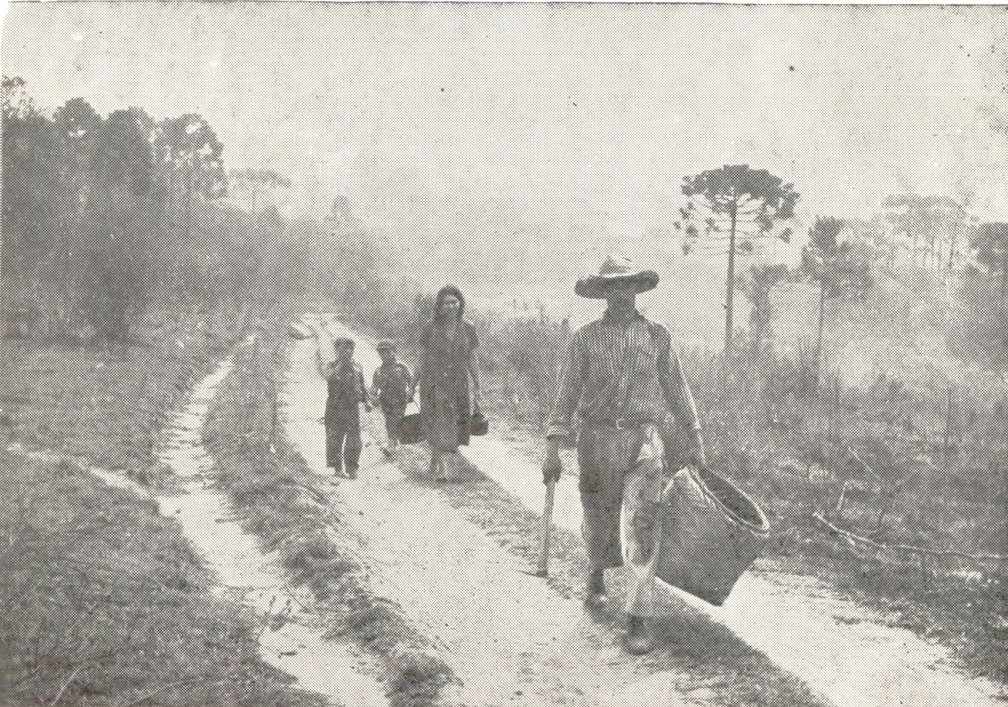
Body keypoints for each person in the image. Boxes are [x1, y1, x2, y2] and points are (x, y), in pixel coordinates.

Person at [542, 254, 707, 655]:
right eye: (612, 286)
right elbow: (566, 394)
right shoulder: (584, 339)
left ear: (636, 289)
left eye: (627, 285)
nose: (620, 293)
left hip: (643, 440)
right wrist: (553, 448)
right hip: (596, 439)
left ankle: (637, 617)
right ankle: (597, 571)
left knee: (644, 524)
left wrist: (695, 435)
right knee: (598, 516)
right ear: (602, 293)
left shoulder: (657, 336)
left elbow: (677, 386)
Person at [417, 285, 480, 482]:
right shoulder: (430, 327)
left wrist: (478, 386)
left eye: (454, 302)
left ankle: (436, 458)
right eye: (446, 303)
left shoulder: (468, 327)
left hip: (459, 384)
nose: (451, 306)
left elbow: (473, 358)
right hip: (434, 382)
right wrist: (413, 384)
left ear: (460, 303)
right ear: (439, 305)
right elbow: (421, 358)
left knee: (455, 423)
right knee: (440, 421)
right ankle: (444, 469)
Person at [324, 336, 370, 479]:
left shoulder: (357, 366)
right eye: (344, 348)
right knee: (334, 437)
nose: (348, 351)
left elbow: (362, 384)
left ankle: (352, 468)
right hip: (335, 407)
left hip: (351, 407)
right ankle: (337, 469)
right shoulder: (331, 365)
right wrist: (341, 364)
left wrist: (367, 401)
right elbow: (329, 377)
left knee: (354, 439)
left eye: (351, 348)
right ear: (336, 350)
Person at [371, 339, 415, 453]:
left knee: (396, 420)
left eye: (387, 352)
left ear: (394, 351)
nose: (384, 355)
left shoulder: (402, 367)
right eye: (381, 353)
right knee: (390, 421)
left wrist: (411, 393)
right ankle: (392, 443)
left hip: (401, 400)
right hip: (385, 401)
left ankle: (394, 442)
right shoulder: (378, 371)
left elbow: (411, 382)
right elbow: (374, 387)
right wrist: (373, 396)